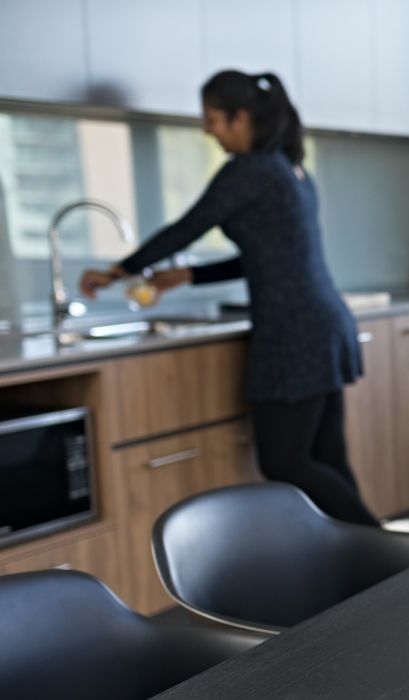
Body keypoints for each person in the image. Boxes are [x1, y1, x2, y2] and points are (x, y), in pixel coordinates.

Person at [80, 70, 381, 527]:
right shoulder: (290, 168)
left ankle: (390, 557)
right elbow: (264, 259)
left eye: (212, 119)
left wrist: (117, 271)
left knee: (285, 463)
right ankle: (371, 567)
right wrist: (187, 275)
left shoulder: (251, 169)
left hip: (293, 333)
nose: (207, 130)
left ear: (242, 118)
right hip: (321, 322)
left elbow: (188, 226)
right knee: (326, 458)